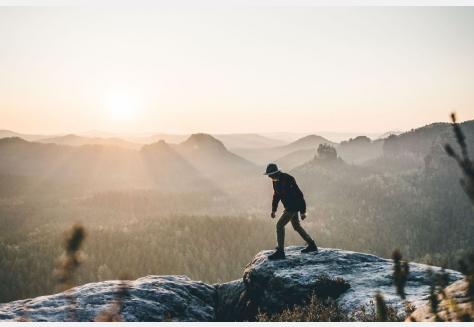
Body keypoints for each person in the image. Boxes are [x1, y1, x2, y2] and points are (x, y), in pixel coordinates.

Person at [264, 163, 318, 260]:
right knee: (296, 226)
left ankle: (280, 251)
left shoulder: (288, 179)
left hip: (293, 207)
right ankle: (312, 244)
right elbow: (276, 195)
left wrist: (303, 211)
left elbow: (299, 195)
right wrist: (273, 210)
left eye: (270, 175)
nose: (268, 177)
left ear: (275, 173)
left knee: (279, 225)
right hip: (289, 207)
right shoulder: (275, 181)